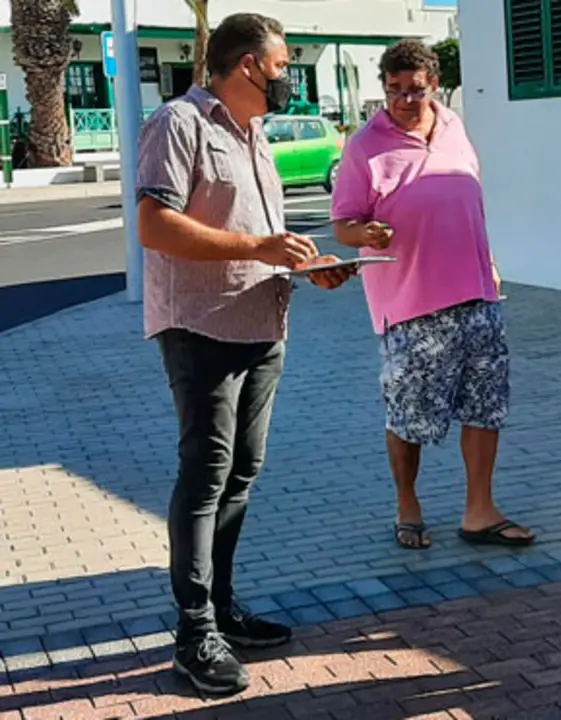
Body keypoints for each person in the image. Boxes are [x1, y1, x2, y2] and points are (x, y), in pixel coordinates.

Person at [136, 13, 354, 695]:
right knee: (206, 474)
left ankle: (222, 609)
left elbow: (258, 236)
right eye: (283, 65)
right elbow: (154, 224)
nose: (289, 78)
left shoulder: (254, 133)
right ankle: (193, 633)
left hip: (263, 324)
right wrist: (260, 248)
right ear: (249, 65)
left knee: (240, 474)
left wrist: (306, 264)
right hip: (201, 327)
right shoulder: (179, 123)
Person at [330, 39, 534, 551]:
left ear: (434, 86)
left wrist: (489, 265)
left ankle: (479, 511)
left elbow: (468, 203)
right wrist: (364, 233)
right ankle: (407, 504)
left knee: (485, 406)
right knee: (409, 415)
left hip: (478, 296)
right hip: (411, 306)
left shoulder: (453, 127)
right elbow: (343, 224)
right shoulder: (364, 146)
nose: (404, 100)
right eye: (394, 90)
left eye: (415, 90)